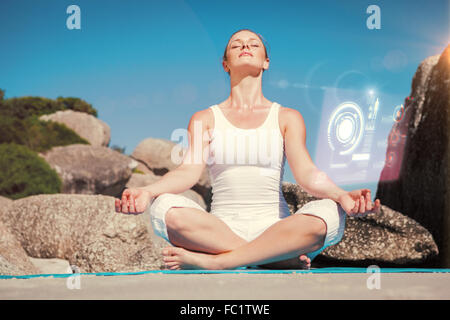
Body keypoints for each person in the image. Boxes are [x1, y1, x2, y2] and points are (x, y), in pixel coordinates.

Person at [115, 28, 381, 270]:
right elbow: (187, 173)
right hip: (219, 230)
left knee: (329, 211)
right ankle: (272, 257)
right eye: (236, 45)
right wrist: (147, 192)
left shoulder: (287, 116)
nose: (245, 46)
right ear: (225, 64)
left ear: (266, 62)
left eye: (254, 44)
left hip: (277, 228)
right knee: (165, 207)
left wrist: (341, 195)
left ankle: (220, 262)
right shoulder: (204, 118)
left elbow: (307, 173)